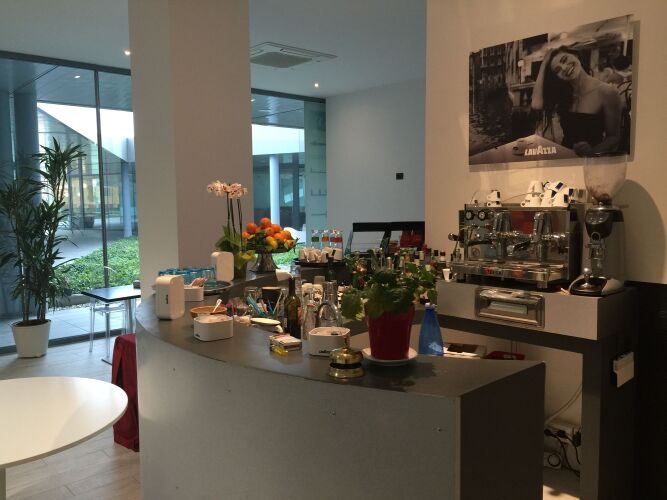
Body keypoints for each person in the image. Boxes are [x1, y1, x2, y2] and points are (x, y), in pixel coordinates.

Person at [531, 46, 623, 156]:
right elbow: (536, 104)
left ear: (576, 55)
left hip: (590, 160)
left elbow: (613, 137)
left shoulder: (607, 92)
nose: (564, 68)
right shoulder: (564, 93)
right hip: (566, 157)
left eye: (564, 59)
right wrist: (544, 65)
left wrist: (591, 152)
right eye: (558, 70)